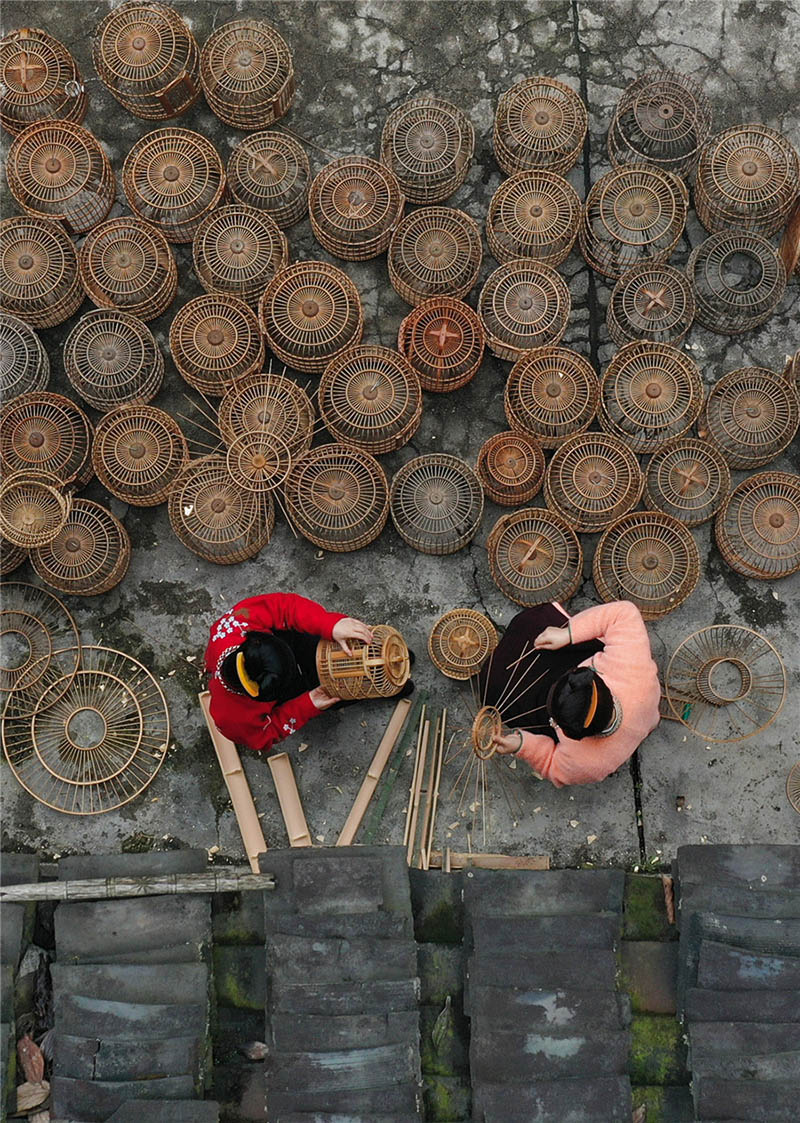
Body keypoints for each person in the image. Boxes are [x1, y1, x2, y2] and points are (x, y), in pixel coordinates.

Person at [481, 600, 660, 786]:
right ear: (597, 680)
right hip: (645, 703)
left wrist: (521, 745)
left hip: (631, 712)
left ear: (569, 733)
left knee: (495, 690)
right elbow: (624, 613)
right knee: (533, 629)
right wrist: (567, 634)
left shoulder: (588, 764)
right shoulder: (631, 664)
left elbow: (552, 765)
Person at [204, 592, 409, 753]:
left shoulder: (236, 625)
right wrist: (307, 705)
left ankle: (382, 660)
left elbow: (285, 607)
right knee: (344, 691)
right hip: (297, 691)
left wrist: (329, 625)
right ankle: (379, 685)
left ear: (253, 638)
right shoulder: (232, 719)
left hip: (300, 645)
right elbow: (267, 735)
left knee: (349, 649)